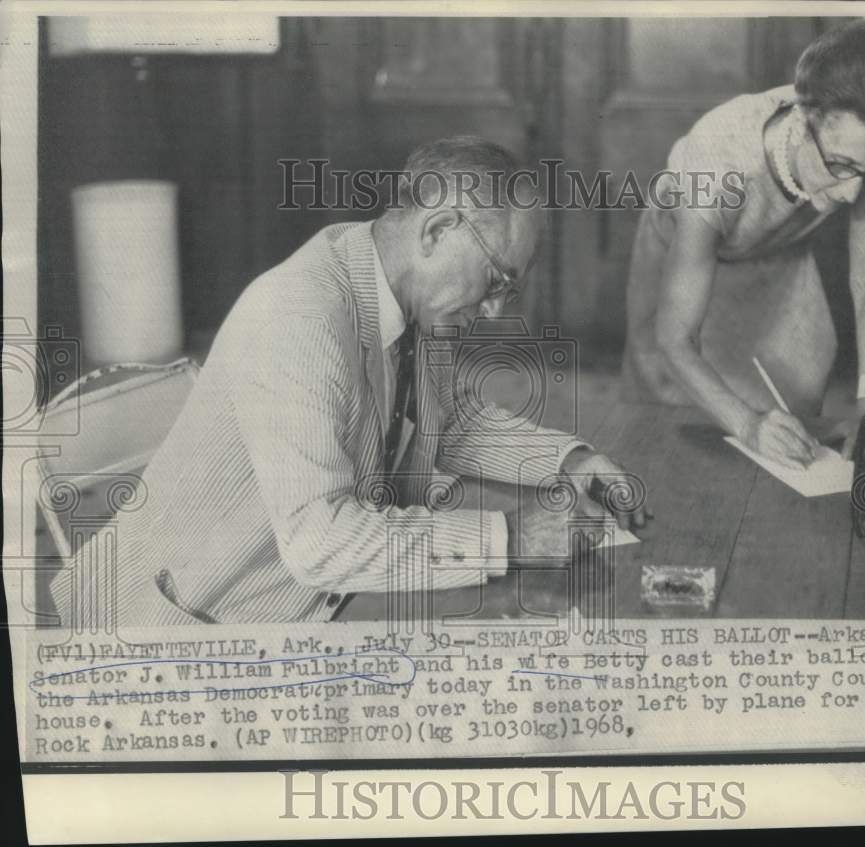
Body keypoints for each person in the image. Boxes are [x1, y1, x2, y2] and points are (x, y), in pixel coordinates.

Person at [51, 136, 649, 628]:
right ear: (437, 231)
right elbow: (320, 541)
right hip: (174, 635)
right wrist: (510, 537)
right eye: (496, 280)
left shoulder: (406, 297)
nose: (496, 311)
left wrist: (566, 460)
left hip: (303, 606)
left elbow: (453, 421)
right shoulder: (299, 316)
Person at [621, 19, 865, 468]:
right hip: (683, 252)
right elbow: (674, 338)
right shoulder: (719, 162)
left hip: (779, 252)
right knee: (679, 420)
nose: (852, 194)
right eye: (841, 166)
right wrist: (748, 425)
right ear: (804, 120)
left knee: (792, 412)